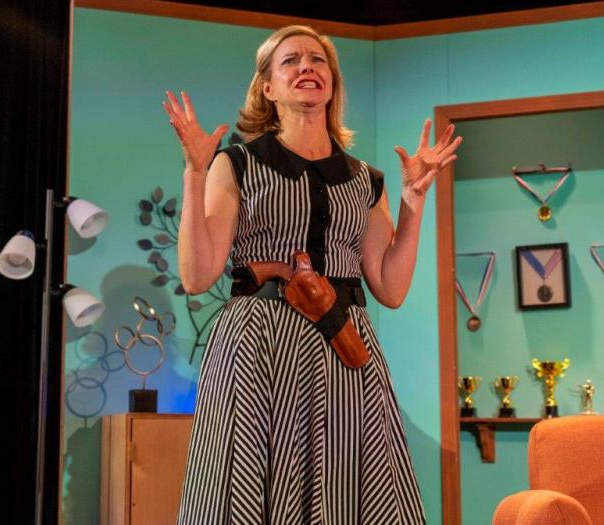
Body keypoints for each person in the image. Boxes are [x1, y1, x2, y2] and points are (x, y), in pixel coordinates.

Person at [162, 24, 461, 524]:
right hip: (259, 343)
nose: (307, 67)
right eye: (291, 61)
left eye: (317, 60)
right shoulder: (235, 164)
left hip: (343, 344)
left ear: (332, 83)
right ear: (268, 88)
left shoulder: (366, 178)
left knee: (354, 484)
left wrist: (413, 201)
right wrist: (195, 172)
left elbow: (389, 286)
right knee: (245, 482)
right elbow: (197, 276)